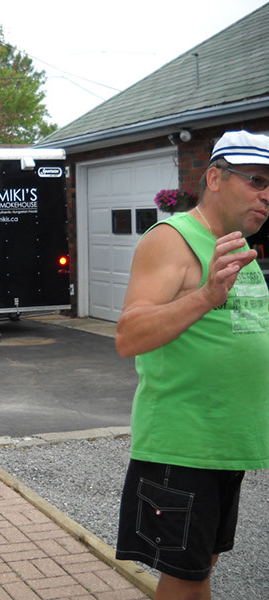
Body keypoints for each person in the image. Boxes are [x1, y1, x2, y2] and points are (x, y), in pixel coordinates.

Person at [114, 130, 269, 599]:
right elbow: (129, 335)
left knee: (200, 567)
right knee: (186, 580)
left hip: (226, 444)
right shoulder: (172, 239)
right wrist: (205, 296)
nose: (267, 196)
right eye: (258, 181)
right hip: (183, 446)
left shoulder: (238, 247)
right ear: (215, 178)